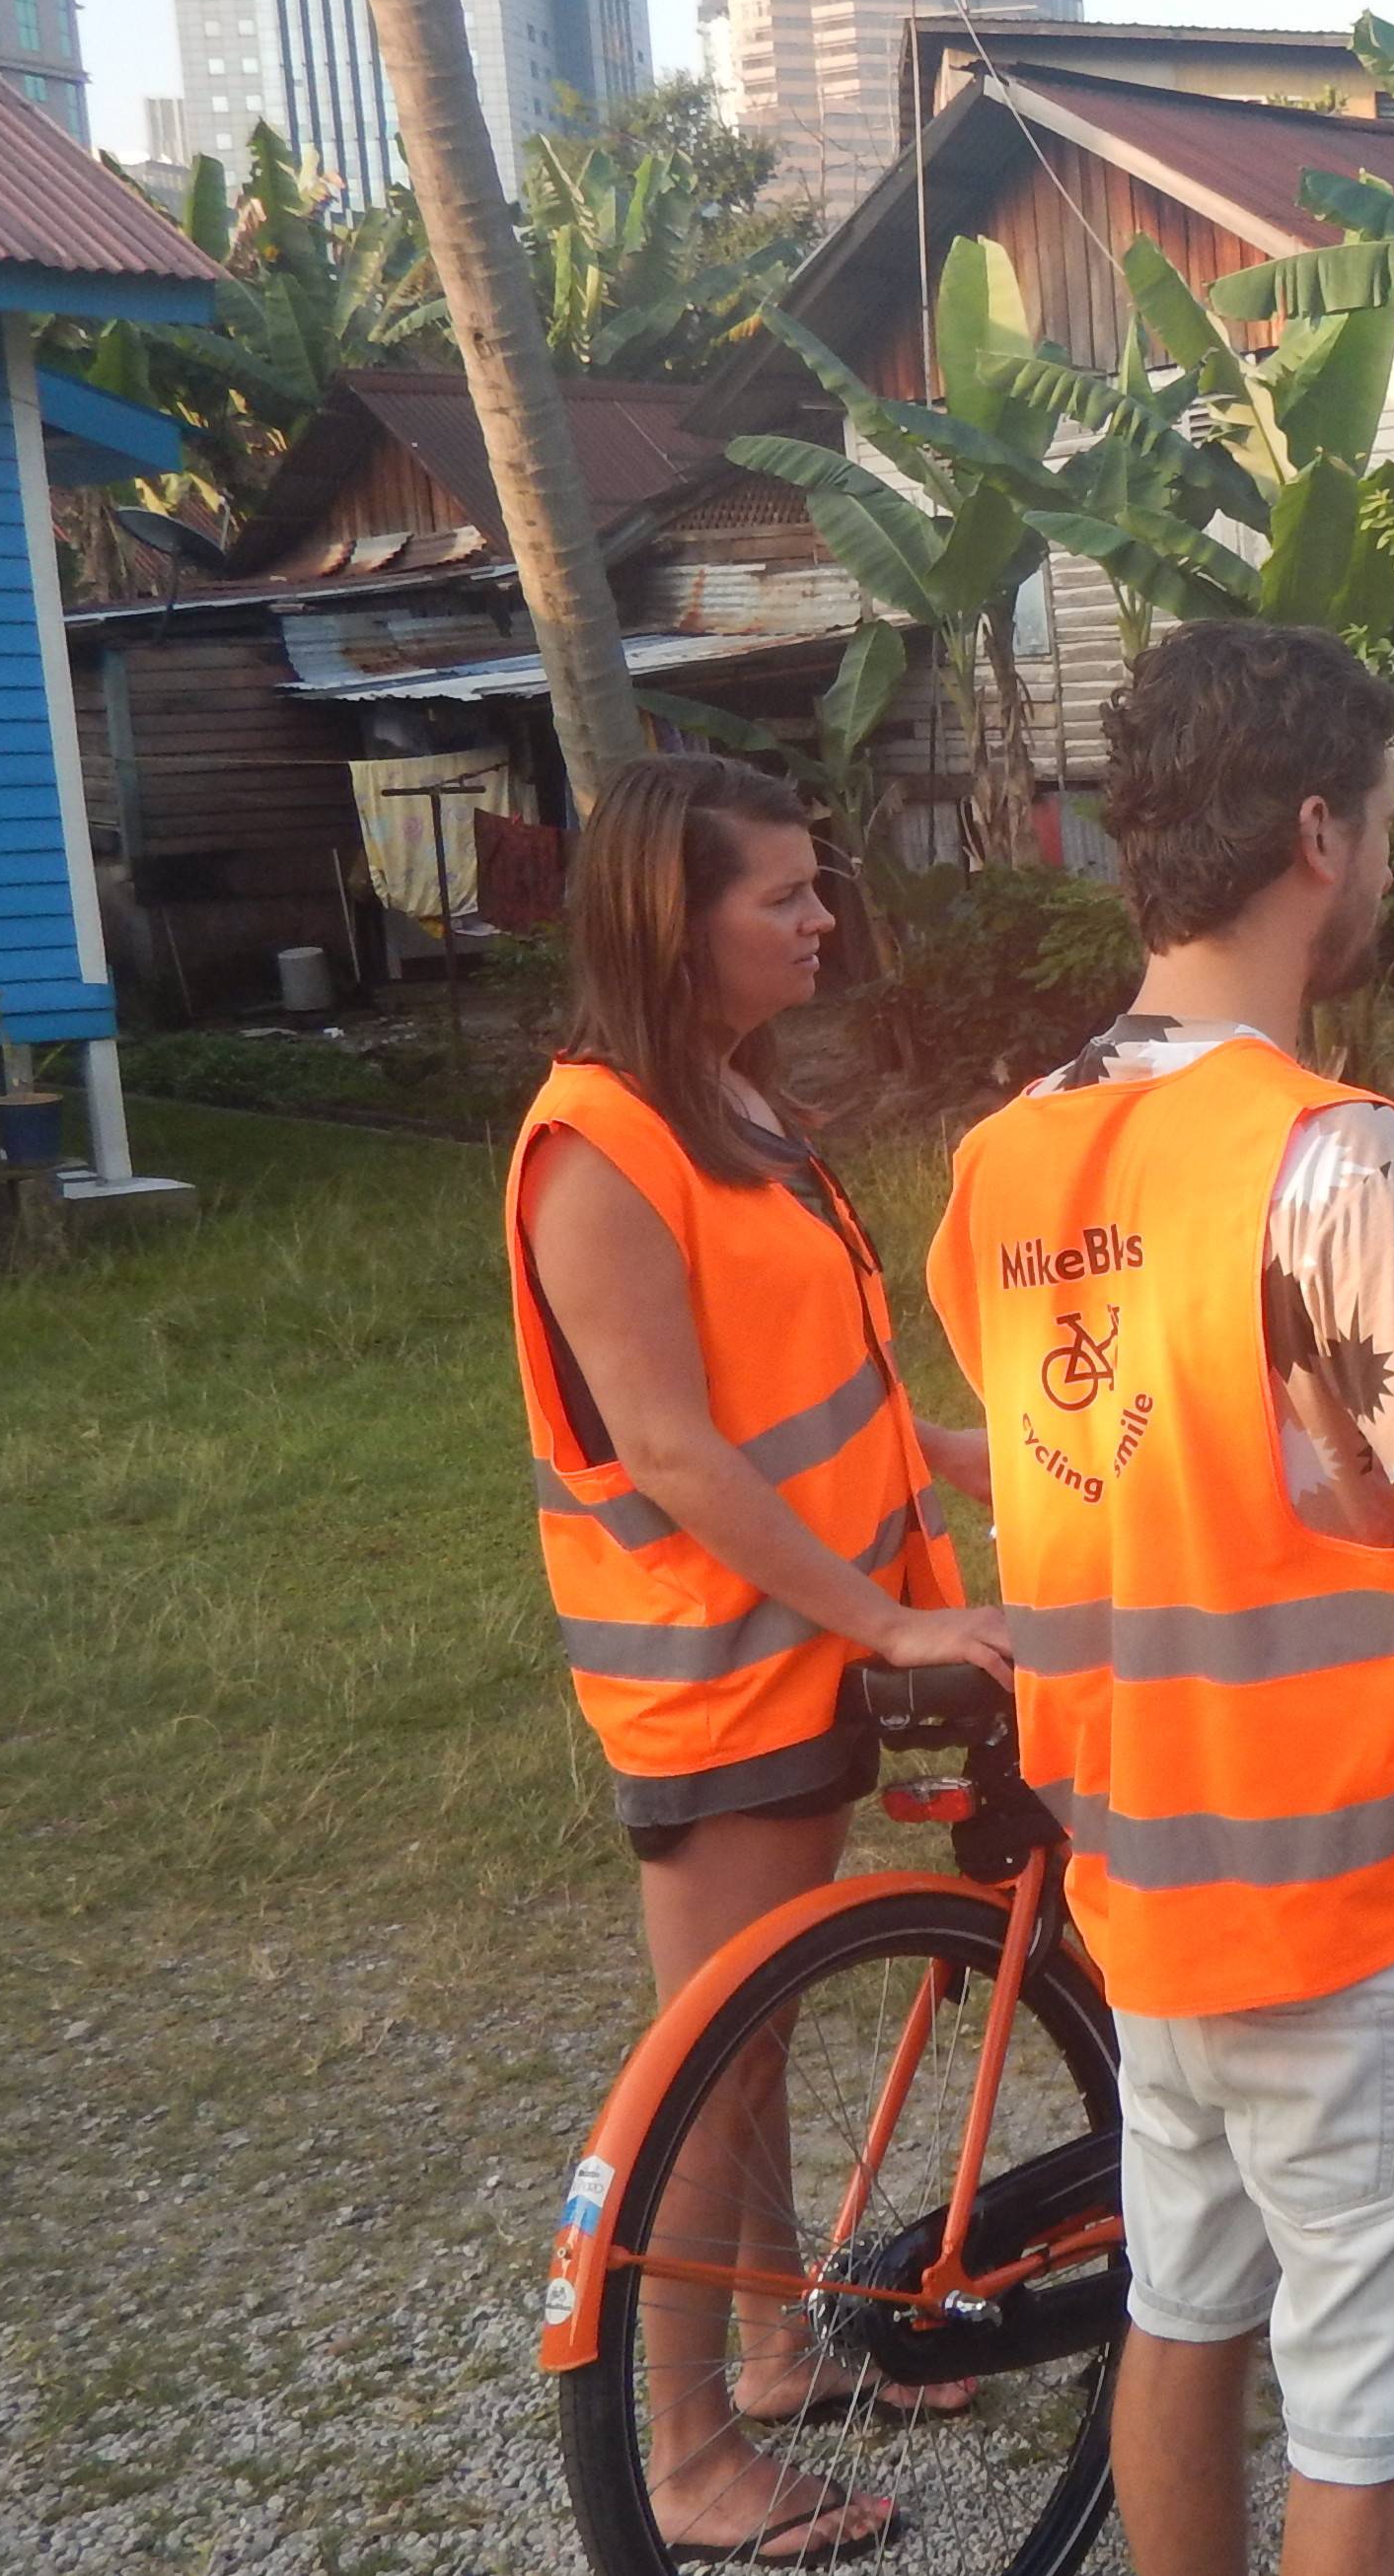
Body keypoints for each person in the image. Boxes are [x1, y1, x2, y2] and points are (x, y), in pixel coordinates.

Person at [928, 622, 1394, 2576]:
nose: (1382, 861)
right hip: (1361, 1915)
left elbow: (1151, 1469)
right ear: (1314, 833)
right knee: (1371, 2444)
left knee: (1184, 2322)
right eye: (1381, 819)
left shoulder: (1005, 1161)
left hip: (1149, 1893)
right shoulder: (1340, 1158)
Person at [508, 753, 1014, 2565]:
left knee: (761, 2027)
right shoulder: (597, 1146)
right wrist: (886, 1618)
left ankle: (784, 2348)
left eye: (818, 884)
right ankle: (689, 2451)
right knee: (709, 2065)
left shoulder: (729, 1100)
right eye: (781, 894)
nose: (821, 918)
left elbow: (803, 1373)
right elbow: (672, 1445)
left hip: (798, 1640)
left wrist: (954, 1455)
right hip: (715, 1664)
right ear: (676, 919)